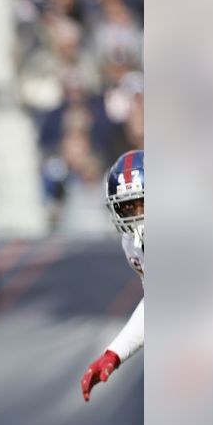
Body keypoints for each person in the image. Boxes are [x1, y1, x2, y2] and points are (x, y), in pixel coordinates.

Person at [81, 149, 144, 401]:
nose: (136, 215)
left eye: (142, 203)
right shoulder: (132, 242)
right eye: (127, 207)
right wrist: (114, 354)